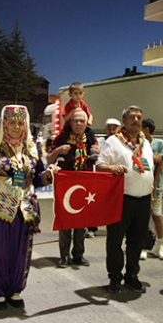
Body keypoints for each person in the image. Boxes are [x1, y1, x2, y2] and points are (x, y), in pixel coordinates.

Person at [0, 105, 58, 309]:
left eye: (19, 123)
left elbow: (38, 177)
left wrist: (47, 175)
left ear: (26, 125)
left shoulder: (31, 148)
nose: (15, 127)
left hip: (25, 206)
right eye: (11, 122)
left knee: (22, 249)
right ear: (4, 124)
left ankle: (15, 289)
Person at [96, 105, 154, 293]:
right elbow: (99, 165)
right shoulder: (114, 141)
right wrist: (112, 169)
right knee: (115, 241)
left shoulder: (145, 143)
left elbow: (149, 170)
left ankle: (132, 275)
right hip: (121, 199)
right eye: (132, 117)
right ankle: (114, 276)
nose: (136, 120)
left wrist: (151, 195)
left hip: (143, 200)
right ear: (124, 121)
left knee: (136, 241)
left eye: (139, 117)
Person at [46, 108, 99, 268]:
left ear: (86, 123)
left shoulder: (90, 137)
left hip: (84, 185)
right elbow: (48, 158)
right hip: (66, 186)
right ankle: (64, 255)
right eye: (75, 120)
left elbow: (97, 159)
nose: (78, 123)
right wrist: (59, 150)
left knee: (81, 222)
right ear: (70, 122)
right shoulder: (62, 137)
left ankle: (78, 255)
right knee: (65, 222)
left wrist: (97, 151)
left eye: (82, 121)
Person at [87, 117, 121, 239]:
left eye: (114, 128)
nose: (112, 130)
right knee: (94, 203)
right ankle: (92, 227)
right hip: (101, 177)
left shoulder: (122, 142)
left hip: (116, 179)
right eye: (109, 128)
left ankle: (115, 228)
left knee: (114, 205)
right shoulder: (99, 141)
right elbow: (95, 156)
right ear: (106, 129)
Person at [141, 118, 163, 261]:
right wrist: (153, 158)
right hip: (142, 184)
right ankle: (144, 245)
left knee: (156, 215)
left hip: (155, 185)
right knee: (143, 216)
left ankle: (161, 244)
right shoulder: (139, 144)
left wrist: (153, 182)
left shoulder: (159, 143)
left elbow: (161, 162)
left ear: (146, 129)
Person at [62, 82, 97, 159]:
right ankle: (61, 155)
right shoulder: (68, 105)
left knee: (90, 132)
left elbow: (90, 114)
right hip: (70, 127)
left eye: (80, 93)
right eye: (75, 93)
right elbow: (66, 118)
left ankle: (92, 151)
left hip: (81, 128)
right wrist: (74, 111)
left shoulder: (82, 104)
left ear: (83, 94)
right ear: (70, 95)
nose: (78, 96)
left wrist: (89, 121)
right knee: (63, 135)